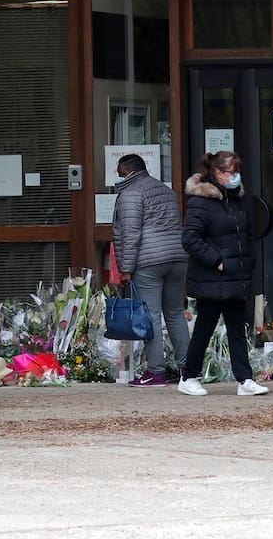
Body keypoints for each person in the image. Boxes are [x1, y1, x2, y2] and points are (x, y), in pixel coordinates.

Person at [177, 150, 269, 397]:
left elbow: (245, 234)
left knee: (237, 329)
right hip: (212, 278)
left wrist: (247, 260)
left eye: (237, 171)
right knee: (204, 328)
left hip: (235, 276)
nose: (236, 176)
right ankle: (188, 376)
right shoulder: (200, 202)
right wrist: (216, 261)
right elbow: (189, 238)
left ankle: (245, 379)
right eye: (231, 171)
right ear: (217, 173)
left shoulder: (235, 199)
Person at [111, 153, 191, 388]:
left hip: (149, 262)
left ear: (128, 171)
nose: (118, 175)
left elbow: (131, 233)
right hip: (177, 257)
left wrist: (126, 269)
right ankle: (187, 369)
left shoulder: (130, 194)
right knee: (175, 313)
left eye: (119, 171)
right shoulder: (166, 191)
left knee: (151, 316)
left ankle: (156, 372)